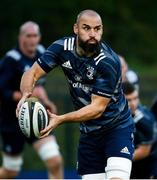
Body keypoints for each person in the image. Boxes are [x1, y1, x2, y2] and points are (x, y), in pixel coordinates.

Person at [17, 10, 134, 179]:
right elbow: (32, 73)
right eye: (86, 28)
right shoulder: (61, 48)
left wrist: (60, 119)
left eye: (97, 29)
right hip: (89, 134)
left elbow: (96, 109)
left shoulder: (108, 61)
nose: (93, 34)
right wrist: (25, 95)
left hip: (116, 128)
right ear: (76, 29)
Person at [0, 21, 63, 179]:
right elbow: (3, 92)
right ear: (21, 38)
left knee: (55, 161)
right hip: (12, 120)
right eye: (28, 35)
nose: (32, 39)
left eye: (35, 35)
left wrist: (46, 102)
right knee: (10, 172)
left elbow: (39, 87)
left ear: (39, 37)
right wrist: (24, 95)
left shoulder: (42, 53)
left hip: (35, 117)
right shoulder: (11, 60)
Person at [123, 82, 157, 179]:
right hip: (126, 163)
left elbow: (143, 151)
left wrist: (116, 157)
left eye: (135, 98)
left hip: (147, 166)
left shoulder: (145, 120)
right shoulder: (110, 115)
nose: (133, 104)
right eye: (128, 100)